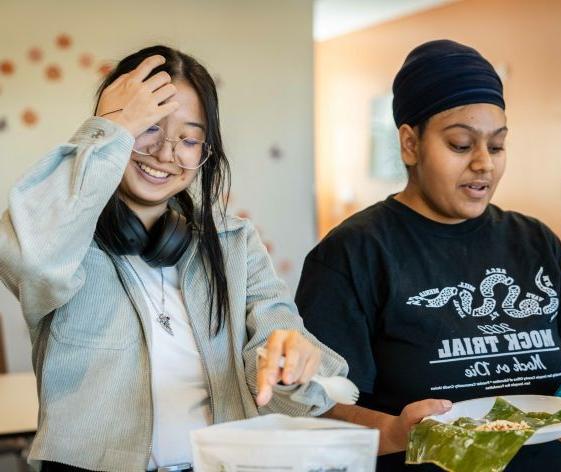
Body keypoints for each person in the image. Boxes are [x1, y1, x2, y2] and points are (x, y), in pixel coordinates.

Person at [0, 45, 351, 472]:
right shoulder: (65, 243)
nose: (166, 154)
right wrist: (109, 128)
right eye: (147, 128)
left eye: (188, 139)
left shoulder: (234, 241)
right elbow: (30, 259)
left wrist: (290, 365)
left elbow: (280, 354)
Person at [295, 39, 561, 471]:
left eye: (497, 146)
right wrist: (393, 433)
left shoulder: (536, 242)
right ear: (410, 144)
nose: (484, 164)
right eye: (462, 145)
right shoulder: (352, 254)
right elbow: (313, 408)